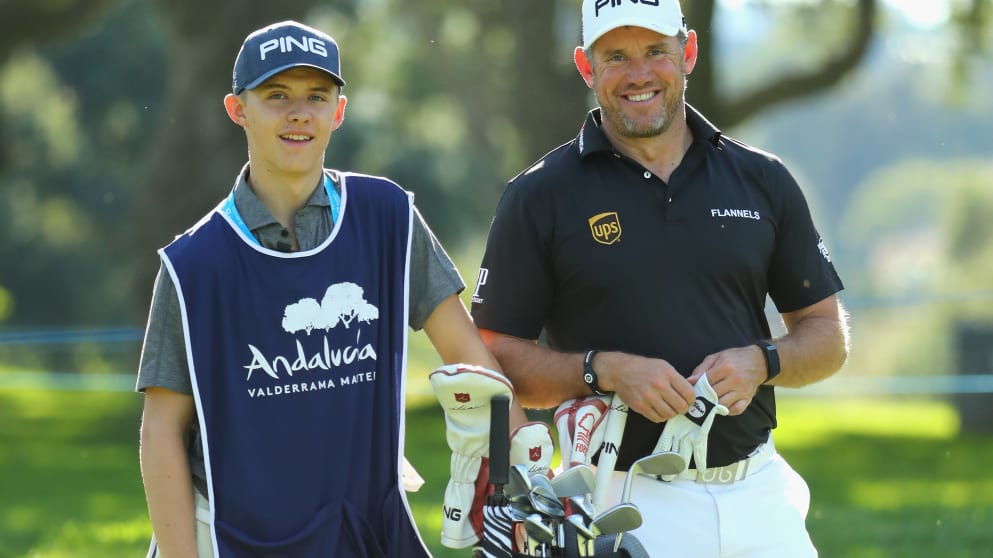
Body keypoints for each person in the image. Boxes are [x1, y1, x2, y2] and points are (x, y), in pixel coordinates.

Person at [470, 1, 850, 556]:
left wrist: (762, 361)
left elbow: (827, 336)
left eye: (655, 52)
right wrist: (602, 370)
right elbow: (493, 360)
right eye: (615, 57)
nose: (638, 74)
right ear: (585, 67)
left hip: (760, 490)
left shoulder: (762, 179)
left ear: (687, 52)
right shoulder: (538, 195)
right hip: (620, 495)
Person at [136, 20, 527, 558]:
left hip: (366, 532)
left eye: (316, 96)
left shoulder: (387, 217)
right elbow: (161, 435)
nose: (299, 113)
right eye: (276, 95)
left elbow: (473, 363)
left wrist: (527, 482)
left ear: (338, 111)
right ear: (238, 110)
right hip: (228, 538)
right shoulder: (193, 265)